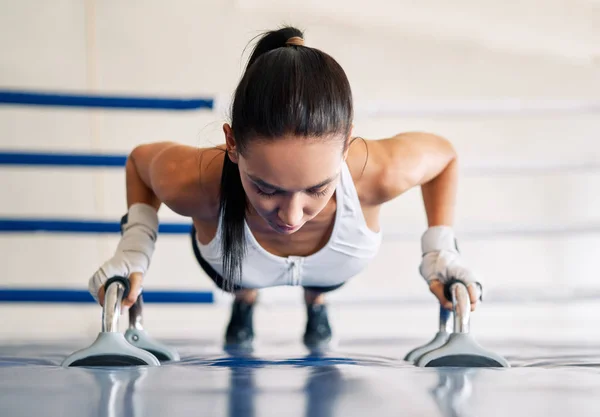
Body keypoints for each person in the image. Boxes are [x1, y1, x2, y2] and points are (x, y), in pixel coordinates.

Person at [88, 26, 480, 350]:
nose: (291, 217)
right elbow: (140, 161)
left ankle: (316, 297)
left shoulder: (375, 171)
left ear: (347, 146)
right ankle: (246, 297)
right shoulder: (197, 180)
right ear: (232, 144)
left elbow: (443, 157)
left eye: (317, 189)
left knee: (320, 281)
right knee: (241, 281)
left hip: (332, 265)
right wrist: (135, 247)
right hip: (235, 266)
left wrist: (440, 250)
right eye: (266, 189)